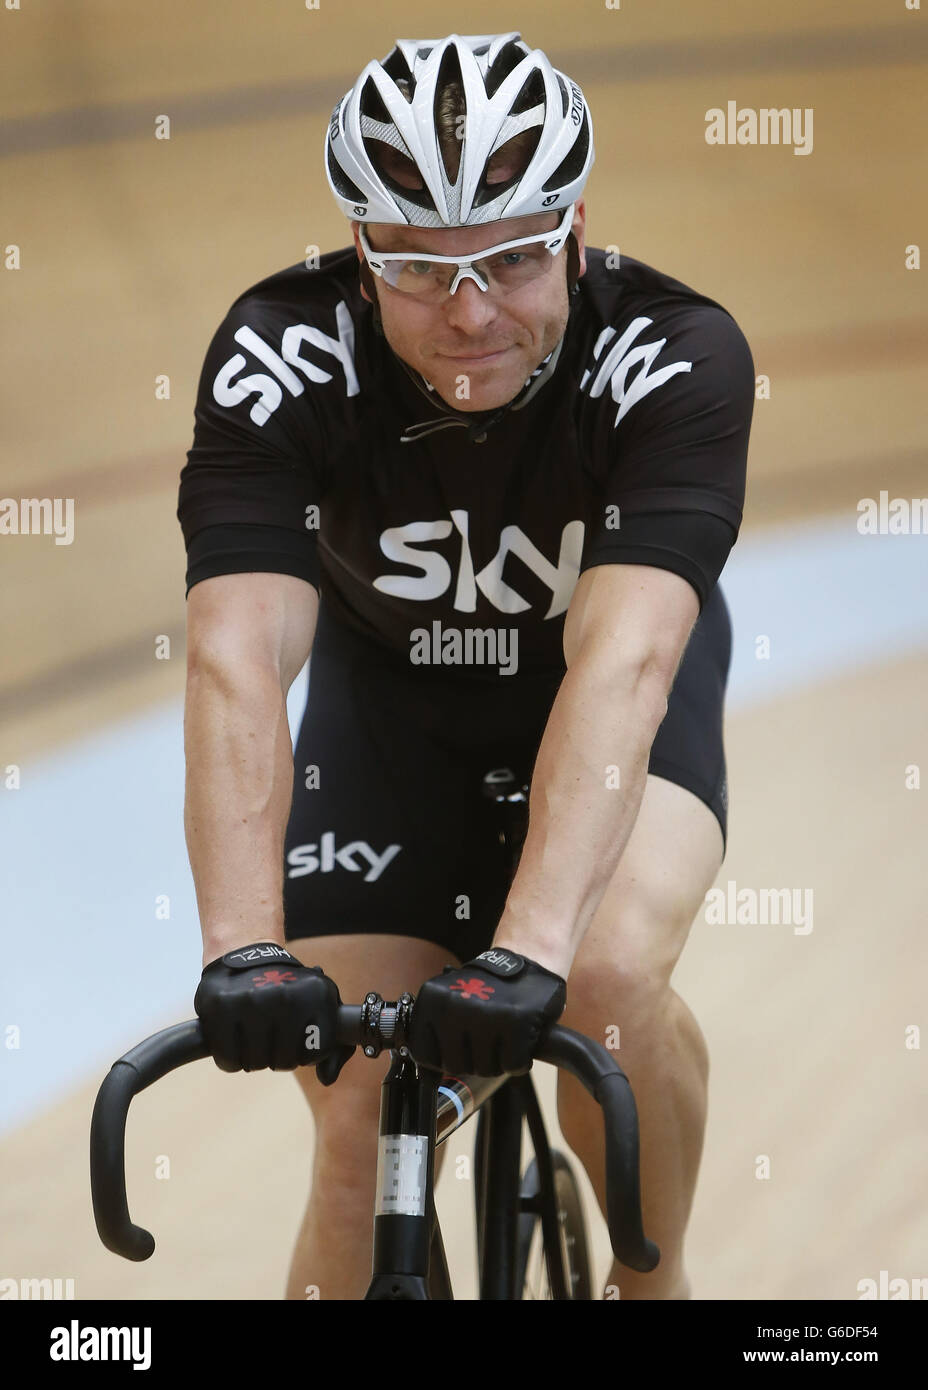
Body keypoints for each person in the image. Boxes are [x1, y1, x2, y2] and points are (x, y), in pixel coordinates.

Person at [178, 32, 755, 1300]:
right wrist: (239, 949)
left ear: (576, 222)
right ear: (358, 248)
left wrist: (534, 948)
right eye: (419, 270)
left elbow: (627, 655)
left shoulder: (673, 351)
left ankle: (655, 1286)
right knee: (357, 1115)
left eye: (512, 255)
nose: (472, 311)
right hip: (387, 716)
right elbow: (235, 658)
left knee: (597, 984)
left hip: (598, 691)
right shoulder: (281, 352)